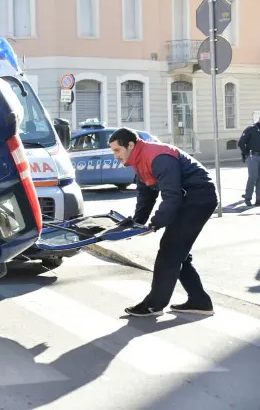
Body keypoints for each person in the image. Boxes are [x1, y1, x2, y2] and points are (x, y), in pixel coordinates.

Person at [108, 127, 217, 317]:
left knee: (170, 250)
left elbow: (171, 196)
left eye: (117, 150)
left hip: (199, 198)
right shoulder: (139, 160)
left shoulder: (158, 157)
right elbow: (146, 194)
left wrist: (155, 223)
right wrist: (137, 223)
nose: (115, 156)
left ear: (130, 145)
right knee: (177, 252)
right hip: (188, 199)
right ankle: (200, 301)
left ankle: (154, 305)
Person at [238, 118, 260, 206]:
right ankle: (248, 197)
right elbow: (241, 143)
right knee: (253, 177)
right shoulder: (251, 129)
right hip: (252, 156)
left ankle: (258, 199)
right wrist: (246, 154)